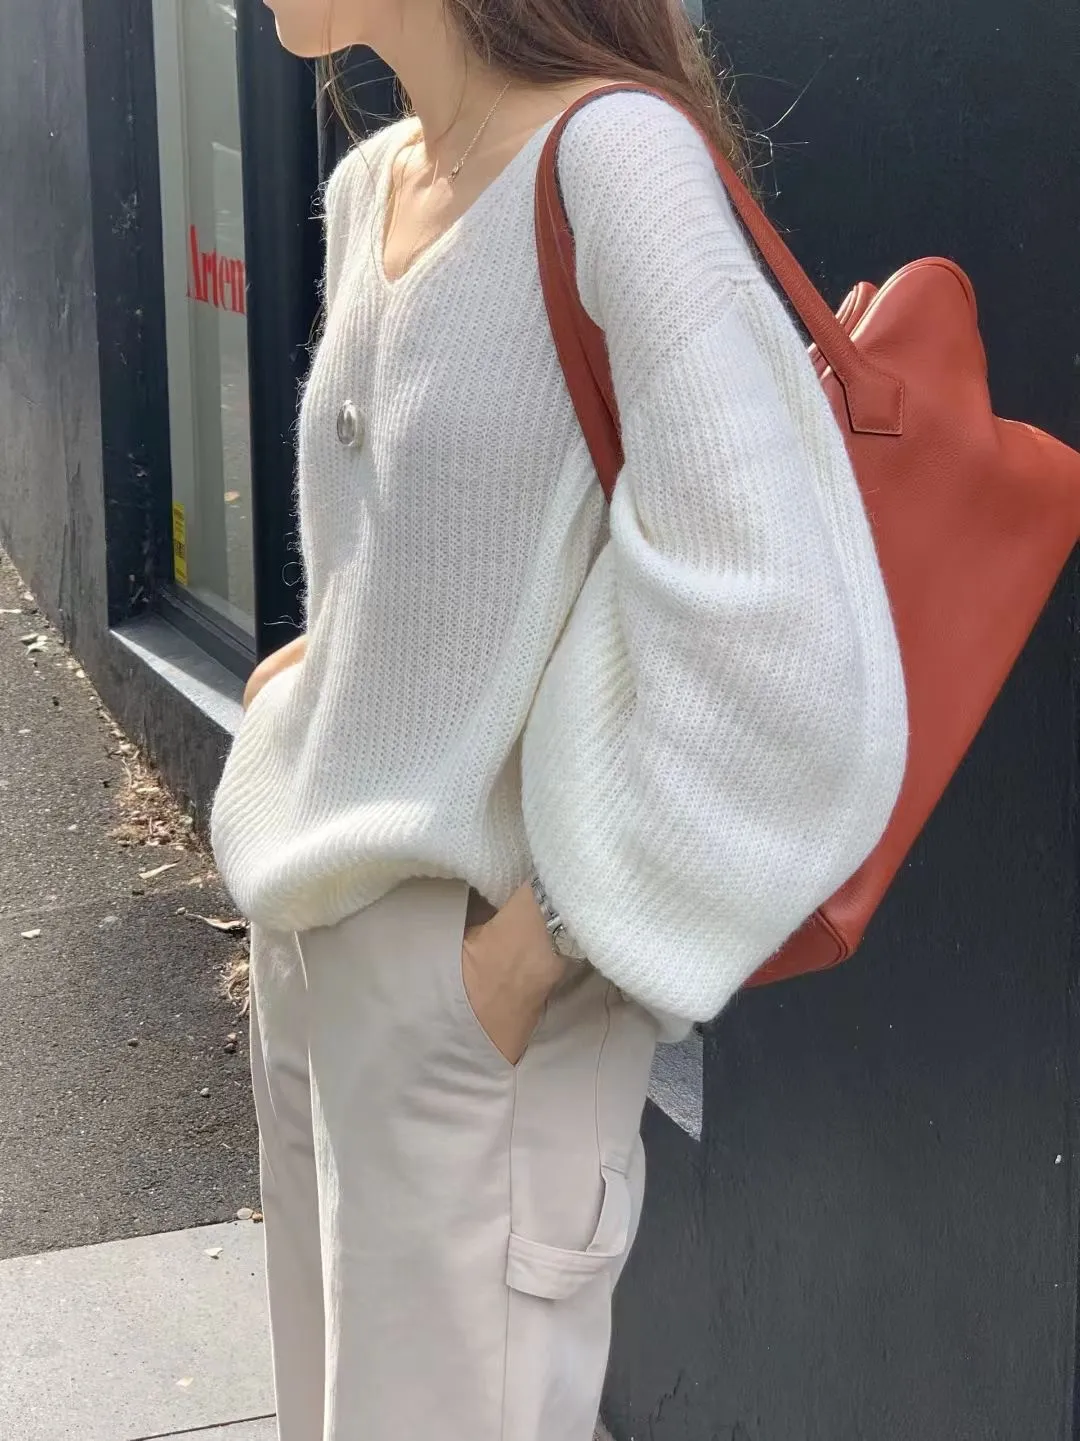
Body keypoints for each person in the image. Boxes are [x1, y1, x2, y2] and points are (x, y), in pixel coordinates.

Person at [209, 0, 908, 1434]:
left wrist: (535, 949)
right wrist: (325, 668)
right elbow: (450, 544)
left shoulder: (614, 162)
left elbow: (781, 646)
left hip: (476, 984)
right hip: (317, 930)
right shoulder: (372, 183)